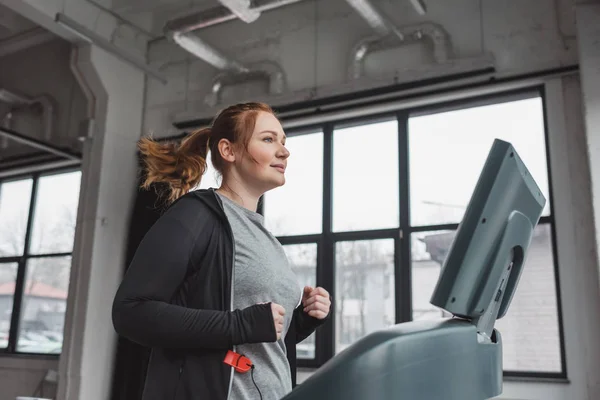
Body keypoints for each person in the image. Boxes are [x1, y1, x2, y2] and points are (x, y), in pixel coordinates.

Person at [112, 102, 331, 400]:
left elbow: (259, 344)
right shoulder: (195, 216)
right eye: (268, 139)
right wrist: (239, 323)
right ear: (229, 151)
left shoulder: (266, 237)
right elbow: (130, 312)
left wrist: (303, 320)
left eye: (283, 141)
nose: (284, 151)